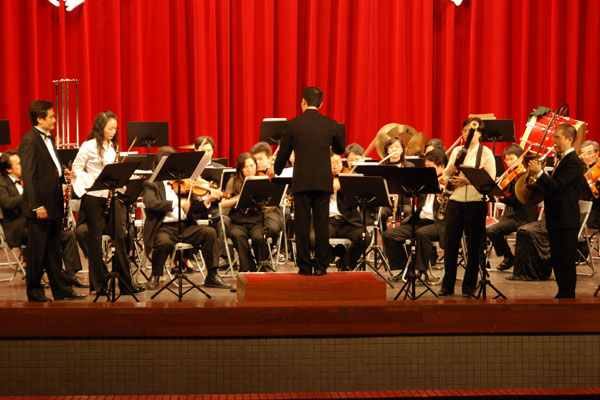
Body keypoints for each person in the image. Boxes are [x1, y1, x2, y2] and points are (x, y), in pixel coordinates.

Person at [19, 100, 86, 301]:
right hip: (40, 206)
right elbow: (29, 176)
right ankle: (34, 293)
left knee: (53, 251)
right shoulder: (29, 140)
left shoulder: (50, 138)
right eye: (51, 116)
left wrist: (63, 174)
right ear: (40, 119)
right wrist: (36, 205)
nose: (55, 119)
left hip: (54, 203)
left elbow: (50, 167)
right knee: (37, 253)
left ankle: (61, 290)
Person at [274, 86, 345, 276]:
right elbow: (340, 148)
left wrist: (277, 170)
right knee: (322, 225)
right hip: (323, 182)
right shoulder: (331, 124)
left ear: (303, 102)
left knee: (302, 226)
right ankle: (321, 266)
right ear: (321, 104)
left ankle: (304, 266)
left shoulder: (293, 125)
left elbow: (283, 152)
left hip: (302, 182)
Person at [72, 111, 143, 295]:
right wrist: (94, 179)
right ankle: (99, 284)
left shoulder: (113, 147)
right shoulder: (88, 146)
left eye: (115, 129)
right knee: (95, 240)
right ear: (100, 127)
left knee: (120, 237)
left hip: (112, 195)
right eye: (110, 128)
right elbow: (76, 169)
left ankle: (125, 283)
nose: (113, 132)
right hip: (94, 195)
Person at [142, 146, 231, 290]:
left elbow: (194, 209)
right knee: (163, 242)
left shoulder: (182, 183)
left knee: (209, 233)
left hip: (184, 226)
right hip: (163, 227)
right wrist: (177, 203)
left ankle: (212, 276)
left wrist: (208, 200)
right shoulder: (151, 184)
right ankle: (155, 276)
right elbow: (151, 203)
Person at [0, 150, 88, 288]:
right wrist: (29, 195)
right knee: (40, 235)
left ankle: (70, 275)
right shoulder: (2, 183)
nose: (24, 165)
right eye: (19, 164)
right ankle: (36, 275)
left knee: (67, 235)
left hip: (35, 222)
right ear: (8, 169)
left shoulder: (27, 179)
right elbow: (6, 203)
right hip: (17, 227)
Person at [438, 117, 496, 297]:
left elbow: (490, 179)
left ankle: (469, 286)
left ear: (479, 134)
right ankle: (447, 286)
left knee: (474, 246)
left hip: (475, 202)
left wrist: (466, 180)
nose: (467, 134)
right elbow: (446, 175)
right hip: (455, 202)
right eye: (464, 131)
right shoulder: (457, 151)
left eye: (471, 131)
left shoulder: (486, 153)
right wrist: (449, 173)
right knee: (450, 244)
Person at [527, 123, 583, 298]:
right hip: (556, 217)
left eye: (557, 138)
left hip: (566, 219)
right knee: (557, 259)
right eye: (553, 138)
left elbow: (558, 186)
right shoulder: (561, 159)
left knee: (565, 260)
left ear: (570, 139)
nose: (554, 142)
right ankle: (562, 293)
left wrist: (539, 173)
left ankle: (567, 295)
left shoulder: (573, 162)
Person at [382, 148, 447, 282]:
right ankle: (407, 270)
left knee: (422, 234)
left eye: (430, 167)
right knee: (389, 235)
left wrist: (442, 194)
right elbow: (409, 192)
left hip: (439, 223)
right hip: (421, 221)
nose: (427, 170)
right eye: (426, 166)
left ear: (441, 167)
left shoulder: (449, 183)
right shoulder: (424, 180)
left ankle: (422, 272)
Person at [221, 152, 283, 272]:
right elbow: (223, 204)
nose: (249, 169)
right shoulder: (233, 180)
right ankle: (247, 266)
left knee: (259, 236)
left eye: (252, 166)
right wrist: (239, 197)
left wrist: (271, 204)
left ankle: (261, 265)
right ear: (240, 169)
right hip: (238, 222)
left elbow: (270, 204)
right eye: (246, 167)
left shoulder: (261, 180)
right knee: (236, 235)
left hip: (257, 221)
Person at [487, 144, 538, 271]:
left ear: (521, 159)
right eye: (507, 160)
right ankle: (486, 259)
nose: (509, 162)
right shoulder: (510, 175)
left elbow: (518, 200)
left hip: (522, 217)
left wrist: (501, 197)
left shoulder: (526, 177)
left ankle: (508, 257)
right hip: (510, 216)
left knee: (492, 230)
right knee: (484, 226)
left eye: (512, 159)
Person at [328, 152, 370, 271]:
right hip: (328, 221)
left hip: (348, 221)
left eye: (338, 162)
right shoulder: (320, 178)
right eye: (331, 163)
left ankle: (346, 264)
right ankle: (336, 252)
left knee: (364, 238)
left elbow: (358, 198)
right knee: (313, 239)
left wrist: (345, 185)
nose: (336, 165)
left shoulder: (350, 176)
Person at [579, 140, 600, 229]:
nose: (586, 157)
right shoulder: (580, 168)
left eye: (590, 153)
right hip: (579, 204)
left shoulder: (598, 168)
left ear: (597, 153)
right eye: (584, 154)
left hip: (595, 208)